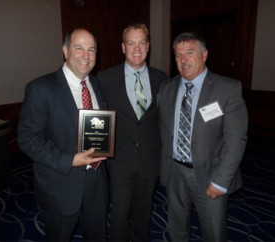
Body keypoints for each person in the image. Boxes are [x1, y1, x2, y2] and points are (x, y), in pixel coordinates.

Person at [18, 28, 109, 241]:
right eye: (79, 48)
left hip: (96, 182)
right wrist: (70, 160)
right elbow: (28, 139)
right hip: (61, 184)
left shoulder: (96, 84)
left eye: (92, 49)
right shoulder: (40, 88)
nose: (86, 56)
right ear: (65, 51)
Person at [158, 32, 248, 241]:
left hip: (211, 176)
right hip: (174, 173)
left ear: (204, 54)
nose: (183, 60)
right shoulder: (167, 88)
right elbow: (163, 130)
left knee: (213, 233)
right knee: (176, 229)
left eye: (190, 52)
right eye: (178, 55)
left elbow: (236, 140)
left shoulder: (227, 89)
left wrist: (221, 181)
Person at [97, 23, 167, 241]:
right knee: (119, 212)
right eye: (131, 43)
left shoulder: (162, 79)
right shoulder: (105, 79)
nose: (137, 48)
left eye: (141, 43)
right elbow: (96, 116)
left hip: (149, 158)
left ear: (148, 46)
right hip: (119, 159)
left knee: (143, 211)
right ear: (123, 47)